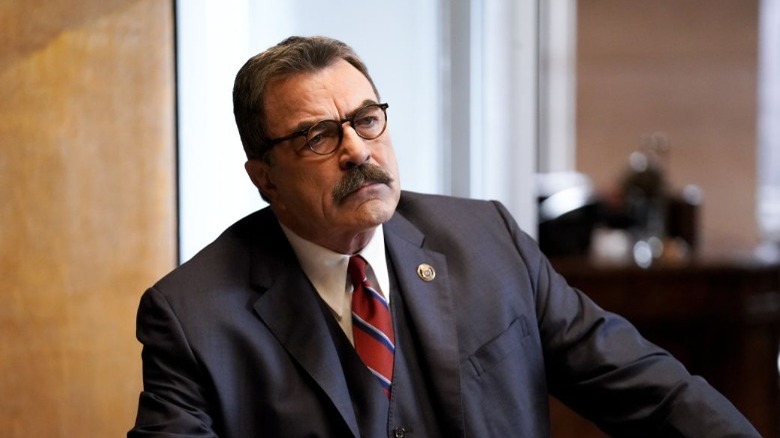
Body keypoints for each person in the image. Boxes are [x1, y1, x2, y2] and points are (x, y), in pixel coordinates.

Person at [129, 36, 759, 437]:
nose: (356, 151)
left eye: (367, 120)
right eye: (318, 136)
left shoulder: (485, 239)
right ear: (263, 176)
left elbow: (647, 390)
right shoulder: (193, 316)